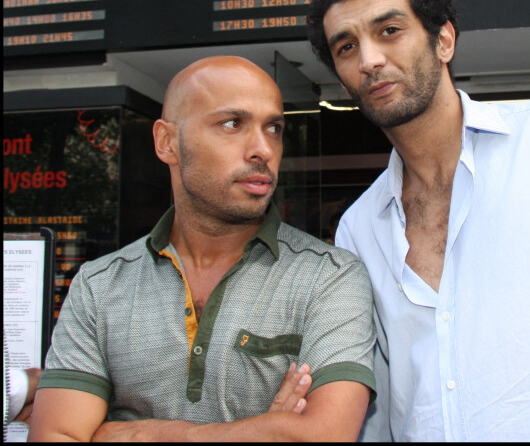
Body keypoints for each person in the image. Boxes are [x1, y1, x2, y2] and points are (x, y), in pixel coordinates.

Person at [306, 0, 530, 441]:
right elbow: (378, 402)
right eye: (346, 47)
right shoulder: (358, 227)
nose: (369, 60)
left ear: (444, 40)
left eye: (389, 30)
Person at [29, 56, 376, 442]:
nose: (263, 148)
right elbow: (54, 435)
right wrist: (264, 429)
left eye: (274, 128)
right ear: (168, 142)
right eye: (232, 124)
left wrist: (135, 435)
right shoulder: (99, 286)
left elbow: (321, 436)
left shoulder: (328, 276)